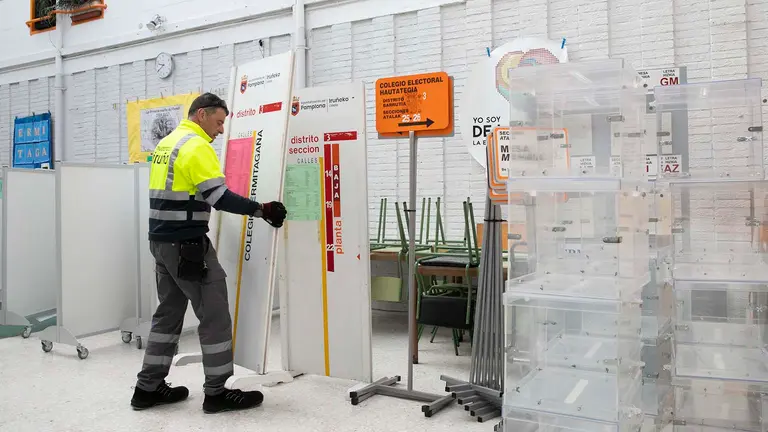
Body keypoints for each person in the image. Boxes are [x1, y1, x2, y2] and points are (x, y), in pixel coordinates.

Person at [130, 93, 287, 414]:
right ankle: (217, 392)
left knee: (169, 313)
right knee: (214, 315)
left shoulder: (168, 142)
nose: (219, 131)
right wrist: (262, 209)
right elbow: (219, 197)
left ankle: (147, 388)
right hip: (187, 246)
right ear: (201, 114)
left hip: (160, 242)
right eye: (218, 122)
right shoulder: (197, 146)